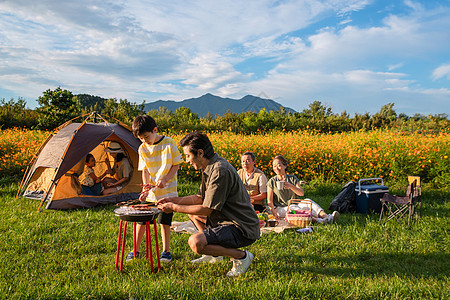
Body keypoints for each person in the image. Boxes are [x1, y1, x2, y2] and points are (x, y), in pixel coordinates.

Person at [157, 131, 260, 277]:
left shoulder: (219, 170)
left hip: (241, 227)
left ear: (200, 153)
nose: (186, 160)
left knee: (196, 242)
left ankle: (241, 256)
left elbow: (207, 209)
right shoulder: (209, 166)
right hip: (225, 219)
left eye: (187, 156)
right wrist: (171, 199)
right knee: (192, 213)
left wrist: (174, 208)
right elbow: (199, 198)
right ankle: (216, 256)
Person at [127, 115, 183, 263]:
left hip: (168, 190)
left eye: (146, 137)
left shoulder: (169, 143)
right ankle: (136, 250)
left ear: (155, 130)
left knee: (164, 221)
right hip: (152, 192)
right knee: (142, 221)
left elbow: (176, 164)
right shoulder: (142, 148)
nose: (144, 141)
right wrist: (146, 189)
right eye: (141, 138)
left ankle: (166, 251)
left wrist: (165, 179)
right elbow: (144, 170)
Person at [267, 155, 339, 224]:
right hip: (281, 208)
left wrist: (291, 186)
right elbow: (269, 201)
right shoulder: (271, 181)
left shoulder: (292, 178)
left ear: (285, 166)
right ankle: (318, 220)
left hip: (295, 203)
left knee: (308, 201)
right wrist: (274, 214)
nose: (276, 168)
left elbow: (301, 193)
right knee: (294, 209)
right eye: (274, 166)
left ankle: (328, 217)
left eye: (279, 165)